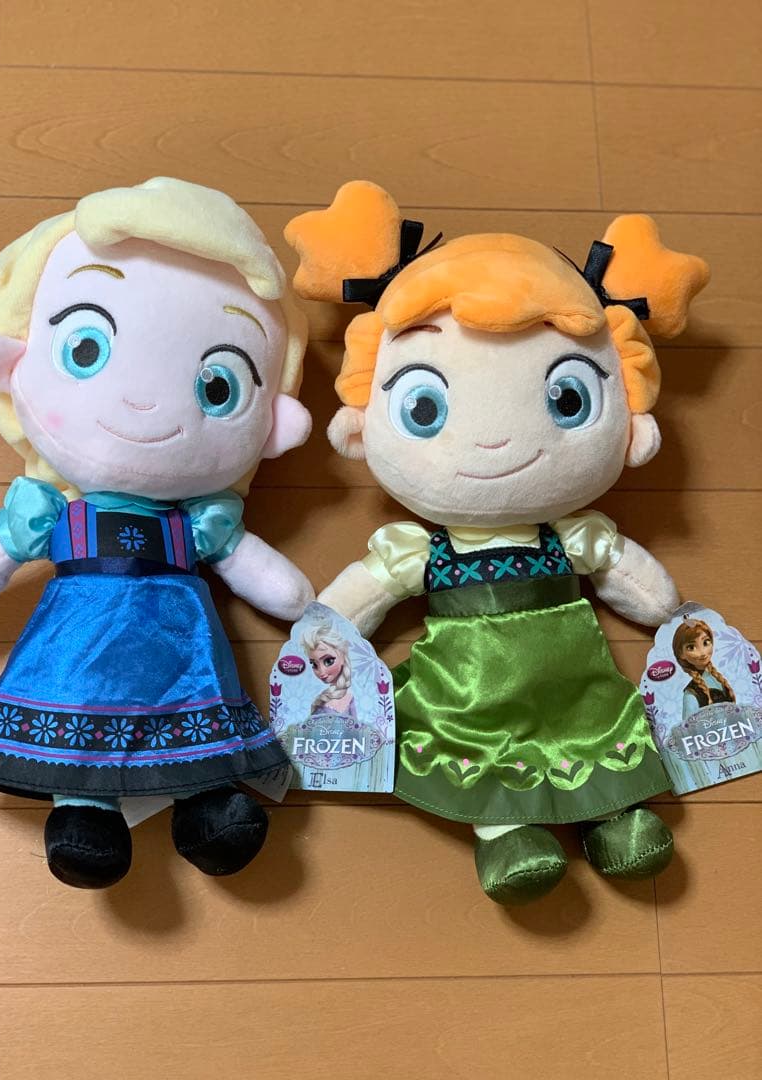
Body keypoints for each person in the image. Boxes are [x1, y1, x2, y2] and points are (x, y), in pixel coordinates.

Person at [285, 180, 709, 904]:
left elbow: (644, 592)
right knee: (475, 750)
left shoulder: (573, 535)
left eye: (568, 399)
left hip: (573, 686)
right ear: (361, 424)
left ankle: (613, 815)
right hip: (464, 699)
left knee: (590, 729)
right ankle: (505, 831)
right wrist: (321, 634)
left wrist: (671, 616)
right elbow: (353, 605)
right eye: (423, 406)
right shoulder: (418, 551)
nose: (493, 442)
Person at [0, 178, 314, 889]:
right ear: (11, 360)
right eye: (85, 349)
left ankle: (205, 800)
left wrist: (293, 597)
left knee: (193, 712)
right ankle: (85, 808)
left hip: (178, 646)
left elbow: (279, 587)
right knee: (78, 721)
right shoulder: (51, 513)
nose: (146, 403)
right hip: (77, 646)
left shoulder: (200, 521)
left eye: (219, 387)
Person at [672, 617, 735, 720]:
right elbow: (688, 728)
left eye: (706, 642)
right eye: (691, 647)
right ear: (681, 653)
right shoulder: (691, 694)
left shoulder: (718, 679)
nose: (702, 652)